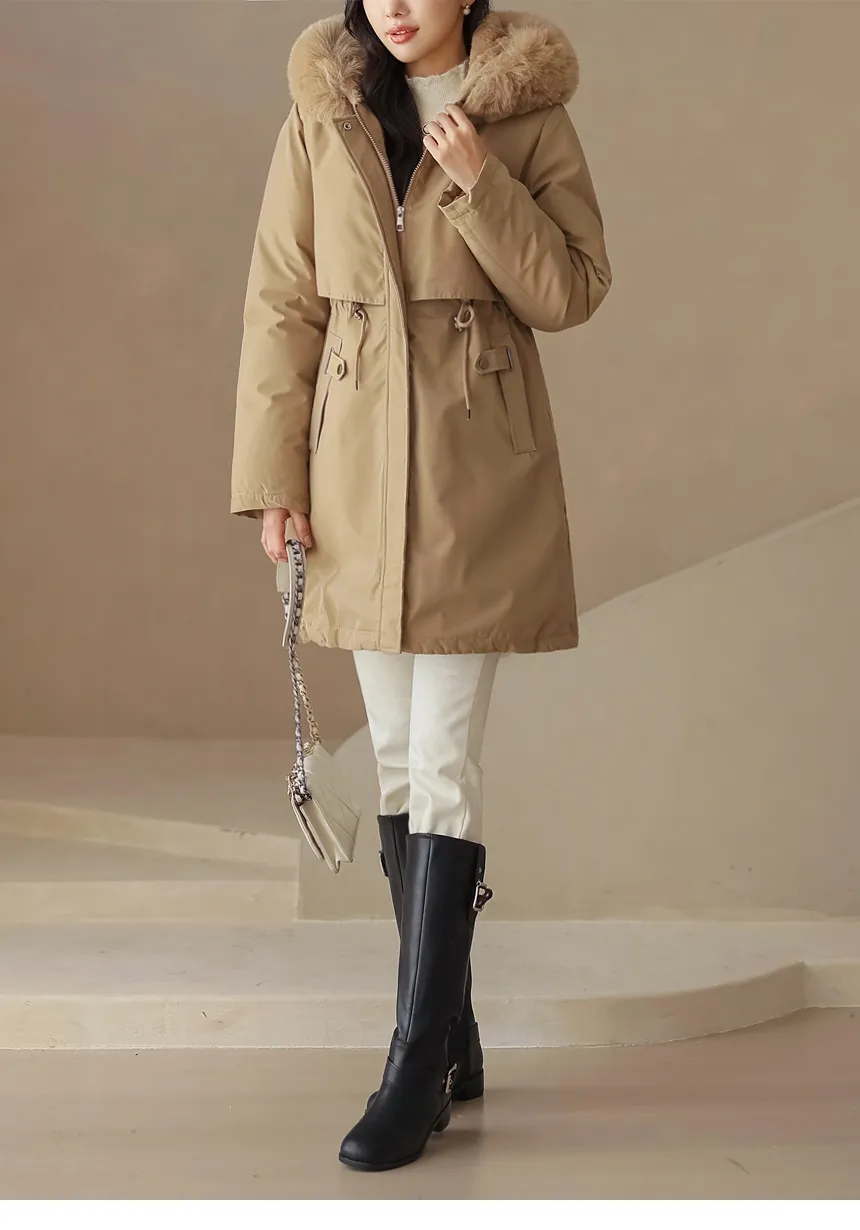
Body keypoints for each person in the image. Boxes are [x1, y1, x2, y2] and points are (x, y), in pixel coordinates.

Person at [230, 1, 612, 1171]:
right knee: (395, 762)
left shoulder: (527, 113)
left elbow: (572, 289)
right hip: (352, 472)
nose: (395, 5)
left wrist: (481, 183)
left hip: (472, 472)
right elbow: (283, 298)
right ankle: (451, 1034)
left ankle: (411, 1069)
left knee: (441, 762)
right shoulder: (323, 107)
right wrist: (274, 480)